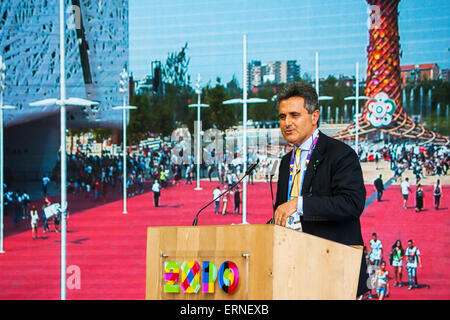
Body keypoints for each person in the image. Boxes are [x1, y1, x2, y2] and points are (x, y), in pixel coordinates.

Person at [273, 82, 369, 297]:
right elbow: (281, 211)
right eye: (282, 116)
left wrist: (299, 205)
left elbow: (352, 204)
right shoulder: (285, 161)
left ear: (314, 116)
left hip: (334, 269)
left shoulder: (340, 154)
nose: (287, 123)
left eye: (294, 115)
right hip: (293, 270)